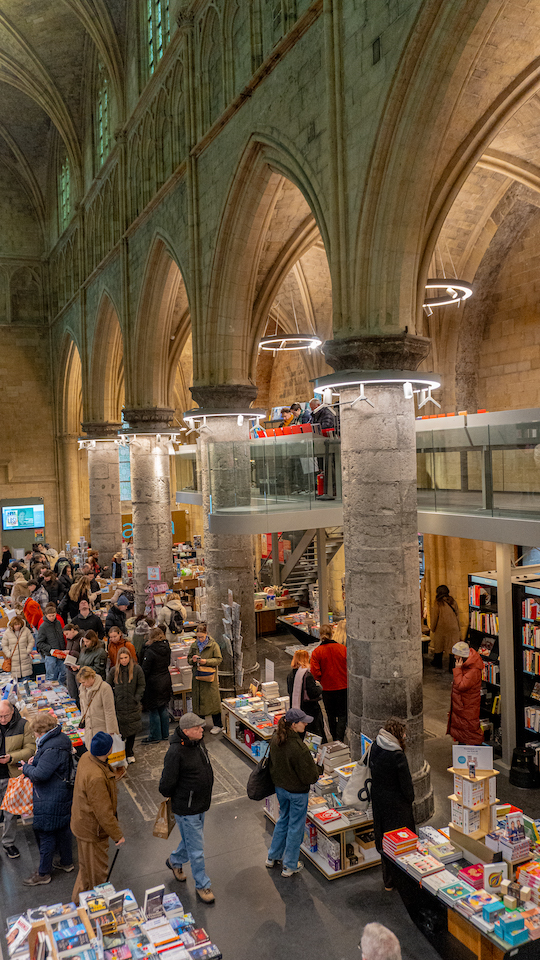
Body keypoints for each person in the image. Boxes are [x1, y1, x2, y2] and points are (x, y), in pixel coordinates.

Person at [159, 712, 215, 904]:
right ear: (186, 731)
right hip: (187, 808)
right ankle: (202, 885)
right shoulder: (175, 753)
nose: (202, 729)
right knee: (197, 849)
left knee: (191, 841)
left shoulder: (198, 743)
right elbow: (165, 785)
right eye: (198, 727)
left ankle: (174, 861)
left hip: (200, 804)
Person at [266, 708, 322, 877]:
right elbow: (310, 777)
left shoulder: (276, 739)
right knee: (296, 828)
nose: (305, 724)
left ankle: (272, 856)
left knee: (283, 820)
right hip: (297, 793)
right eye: (303, 722)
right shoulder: (300, 748)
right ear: (294, 724)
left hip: (281, 789)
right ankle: (290, 865)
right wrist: (318, 766)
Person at [71, 732, 125, 902]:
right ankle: (96, 910)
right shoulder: (96, 777)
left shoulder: (87, 757)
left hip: (81, 823)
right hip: (92, 831)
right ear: (109, 750)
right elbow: (103, 811)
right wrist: (117, 835)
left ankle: (76, 906)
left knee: (86, 870)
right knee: (98, 875)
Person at [21, 712, 74, 885]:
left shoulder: (52, 747)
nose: (34, 735)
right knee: (63, 830)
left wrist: (26, 768)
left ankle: (43, 873)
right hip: (62, 793)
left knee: (46, 833)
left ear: (40, 731)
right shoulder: (60, 739)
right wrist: (36, 759)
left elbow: (41, 774)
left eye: (35, 732)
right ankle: (66, 862)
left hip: (50, 796)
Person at [370, 717, 415, 891]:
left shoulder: (376, 745)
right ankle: (403, 880)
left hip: (379, 802)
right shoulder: (397, 755)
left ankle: (388, 881)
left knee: (385, 840)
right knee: (401, 841)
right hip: (397, 806)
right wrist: (409, 799)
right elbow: (406, 785)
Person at [0, 699, 36, 859]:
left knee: (10, 813)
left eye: (5, 716)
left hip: (11, 776)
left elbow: (30, 748)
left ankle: (8, 843)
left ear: (12, 711)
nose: (2, 720)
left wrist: (11, 757)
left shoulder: (23, 724)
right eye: (0, 716)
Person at [107, 647, 146, 763]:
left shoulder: (137, 669)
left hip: (132, 705)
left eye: (126, 657)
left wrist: (137, 698)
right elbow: (108, 686)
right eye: (121, 658)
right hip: (119, 706)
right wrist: (114, 699)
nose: (124, 660)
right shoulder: (114, 671)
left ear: (130, 657)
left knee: (132, 731)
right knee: (120, 731)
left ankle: (129, 752)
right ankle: (121, 752)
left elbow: (141, 685)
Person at [310, 623, 348, 741]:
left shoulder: (317, 652)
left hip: (327, 688)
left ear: (320, 635)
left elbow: (315, 673)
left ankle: (334, 736)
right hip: (343, 686)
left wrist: (322, 679)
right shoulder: (342, 648)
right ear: (332, 634)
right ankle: (340, 738)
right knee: (342, 714)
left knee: (330, 715)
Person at [188, 623, 223, 735]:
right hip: (197, 677)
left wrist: (205, 662)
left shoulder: (213, 645)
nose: (200, 639)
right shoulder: (194, 645)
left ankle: (218, 724)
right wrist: (192, 660)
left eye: (202, 636)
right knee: (198, 701)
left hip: (209, 677)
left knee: (212, 701)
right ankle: (200, 723)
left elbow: (218, 659)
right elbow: (188, 659)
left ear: (206, 634)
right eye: (198, 637)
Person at [447, 640, 484, 745]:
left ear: (461, 656)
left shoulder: (473, 670)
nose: (454, 658)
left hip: (467, 704)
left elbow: (461, 686)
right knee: (463, 729)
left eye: (456, 655)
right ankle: (462, 749)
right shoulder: (468, 665)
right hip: (463, 703)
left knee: (469, 729)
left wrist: (457, 670)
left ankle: (474, 752)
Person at [141, 627, 173, 743]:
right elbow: (168, 662)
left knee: (153, 709)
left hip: (153, 682)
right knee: (163, 708)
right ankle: (165, 734)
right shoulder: (166, 647)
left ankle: (155, 735)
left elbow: (145, 669)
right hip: (165, 679)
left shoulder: (150, 651)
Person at [78, 666, 119, 750]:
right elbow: (83, 707)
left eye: (84, 682)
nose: (82, 684)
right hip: (89, 730)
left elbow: (109, 711)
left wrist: (111, 732)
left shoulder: (104, 688)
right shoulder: (82, 688)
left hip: (102, 729)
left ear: (90, 678)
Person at [286, 649, 324, 740]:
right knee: (313, 733)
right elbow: (312, 693)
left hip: (296, 706)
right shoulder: (307, 675)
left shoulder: (290, 674)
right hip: (309, 708)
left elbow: (289, 691)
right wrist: (319, 688)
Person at [430, 584, 460, 670]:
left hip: (442, 627)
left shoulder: (438, 603)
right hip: (453, 627)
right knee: (452, 647)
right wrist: (458, 628)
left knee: (439, 645)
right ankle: (452, 666)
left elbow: (435, 616)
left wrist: (433, 627)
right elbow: (457, 615)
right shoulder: (453, 601)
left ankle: (437, 662)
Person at [37, 603, 67, 682]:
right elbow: (39, 643)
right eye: (49, 616)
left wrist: (63, 649)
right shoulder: (43, 627)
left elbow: (61, 637)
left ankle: (60, 687)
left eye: (53, 615)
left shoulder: (58, 623)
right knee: (51, 676)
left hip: (60, 653)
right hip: (50, 655)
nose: (52, 618)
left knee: (64, 672)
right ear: (46, 615)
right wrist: (51, 649)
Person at [1, 614, 35, 680]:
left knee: (26, 683)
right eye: (15, 625)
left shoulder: (26, 631)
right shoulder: (7, 633)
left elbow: (31, 641)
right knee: (16, 685)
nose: (17, 626)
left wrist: (27, 650)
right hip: (14, 662)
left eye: (19, 624)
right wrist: (8, 654)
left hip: (25, 660)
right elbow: (4, 644)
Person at [62, 623, 83, 705]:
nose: (66, 637)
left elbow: (82, 654)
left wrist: (70, 652)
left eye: (67, 634)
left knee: (80, 691)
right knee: (72, 691)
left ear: (72, 630)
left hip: (78, 668)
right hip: (69, 667)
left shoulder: (81, 639)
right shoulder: (69, 640)